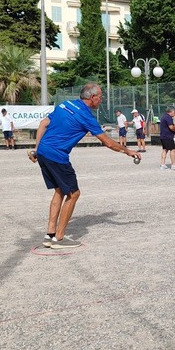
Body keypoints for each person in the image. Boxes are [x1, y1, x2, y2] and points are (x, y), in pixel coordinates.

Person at [28, 83, 140, 248]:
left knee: (59, 191)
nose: (101, 100)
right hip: (57, 156)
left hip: (44, 152)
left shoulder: (65, 104)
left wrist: (37, 149)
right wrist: (128, 151)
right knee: (73, 194)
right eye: (100, 97)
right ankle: (59, 239)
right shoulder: (86, 116)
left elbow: (43, 123)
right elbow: (108, 142)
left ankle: (50, 234)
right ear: (92, 97)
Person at [159, 106, 175, 171]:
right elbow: (171, 127)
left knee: (165, 149)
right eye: (174, 112)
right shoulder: (168, 118)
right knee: (172, 150)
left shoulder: (163, 116)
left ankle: (162, 164)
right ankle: (173, 165)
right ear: (171, 111)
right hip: (168, 136)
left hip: (163, 136)